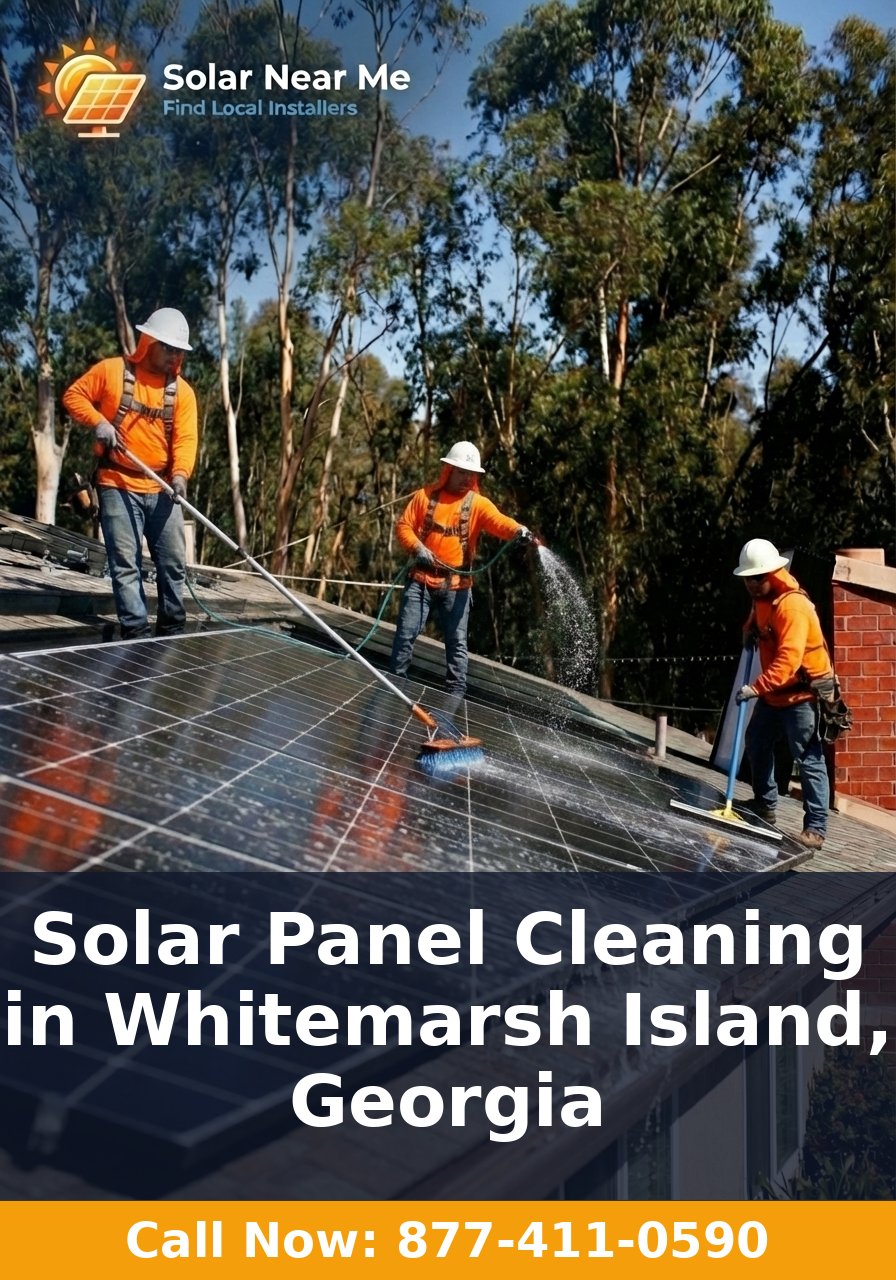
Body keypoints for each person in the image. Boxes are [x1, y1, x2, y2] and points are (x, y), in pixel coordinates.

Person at [63, 308, 198, 639]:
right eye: (168, 347)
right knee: (126, 563)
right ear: (148, 342)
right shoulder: (111, 372)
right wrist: (99, 422)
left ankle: (171, 632)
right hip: (117, 483)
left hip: (163, 488)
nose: (174, 355)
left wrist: (180, 476)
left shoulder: (182, 393)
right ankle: (137, 636)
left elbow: (185, 439)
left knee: (172, 565)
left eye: (179, 350)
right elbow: (73, 396)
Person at [390, 441, 534, 696]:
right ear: (448, 470)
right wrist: (417, 548)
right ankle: (395, 686)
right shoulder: (425, 496)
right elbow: (404, 526)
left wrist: (518, 530)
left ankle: (456, 696)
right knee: (406, 633)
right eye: (461, 472)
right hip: (421, 579)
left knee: (456, 644)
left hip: (457, 586)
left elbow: (500, 522)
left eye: (471, 473)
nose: (466, 478)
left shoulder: (477, 504)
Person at [732, 538, 833, 850]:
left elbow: (788, 662)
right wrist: (748, 629)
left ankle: (815, 828)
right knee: (758, 741)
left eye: (755, 578)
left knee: (808, 757)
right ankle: (765, 804)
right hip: (776, 694)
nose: (749, 584)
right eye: (747, 578)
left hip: (800, 695)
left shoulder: (793, 607)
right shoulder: (762, 596)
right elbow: (757, 618)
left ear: (770, 574)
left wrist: (755, 688)